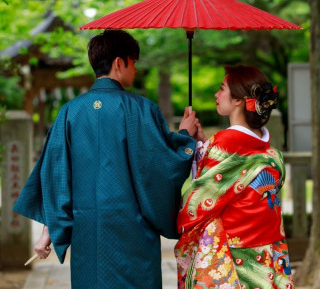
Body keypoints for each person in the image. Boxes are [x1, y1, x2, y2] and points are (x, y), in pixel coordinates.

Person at [13, 29, 198, 289]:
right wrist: (186, 137)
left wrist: (49, 232)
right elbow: (161, 167)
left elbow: (56, 177)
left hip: (86, 233)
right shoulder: (142, 109)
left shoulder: (69, 112)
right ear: (118, 63)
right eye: (133, 62)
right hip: (133, 233)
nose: (135, 69)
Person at [175, 65, 294, 289]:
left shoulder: (224, 144)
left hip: (233, 258)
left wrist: (186, 140)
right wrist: (204, 145)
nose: (216, 95)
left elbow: (199, 202)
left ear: (239, 100)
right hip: (269, 253)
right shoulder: (271, 154)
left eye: (222, 89)